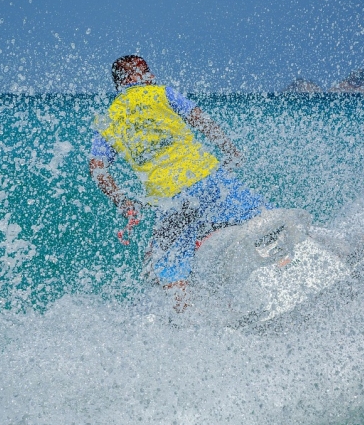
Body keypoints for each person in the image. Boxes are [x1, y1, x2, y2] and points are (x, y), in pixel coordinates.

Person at [89, 55, 270, 312]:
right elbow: (201, 120)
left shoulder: (108, 120)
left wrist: (122, 201)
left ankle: (185, 321)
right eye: (146, 72)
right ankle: (290, 262)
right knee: (263, 216)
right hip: (210, 180)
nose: (152, 76)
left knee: (165, 267)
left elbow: (98, 169)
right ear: (131, 79)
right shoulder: (163, 94)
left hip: (172, 200)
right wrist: (230, 150)